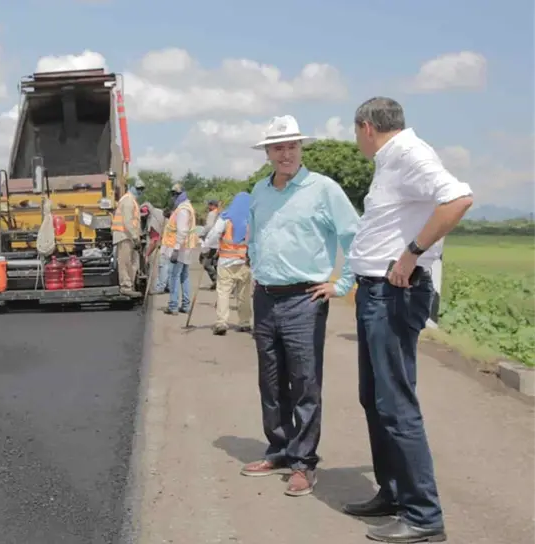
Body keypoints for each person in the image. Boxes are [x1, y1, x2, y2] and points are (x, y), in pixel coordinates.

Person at [344, 97, 472, 543]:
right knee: (374, 398)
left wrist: (412, 252)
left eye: (355, 132)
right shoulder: (391, 160)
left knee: (396, 403)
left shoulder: (410, 154)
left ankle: (423, 515)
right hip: (375, 292)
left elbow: (458, 198)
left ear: (365, 126)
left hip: (394, 293)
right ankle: (394, 493)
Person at [242, 115, 360, 498]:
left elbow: (354, 235)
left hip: (304, 299)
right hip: (266, 297)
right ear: (267, 153)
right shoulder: (259, 190)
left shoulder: (323, 189)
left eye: (292, 146)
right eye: (278, 147)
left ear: (301, 148)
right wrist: (257, 266)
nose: (286, 154)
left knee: (305, 382)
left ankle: (303, 463)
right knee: (271, 380)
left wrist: (342, 283)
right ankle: (279, 449)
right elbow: (255, 235)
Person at [202, 192, 253, 335]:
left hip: (226, 261)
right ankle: (245, 322)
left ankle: (221, 322)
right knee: (244, 294)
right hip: (244, 262)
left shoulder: (225, 217)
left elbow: (214, 234)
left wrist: (206, 248)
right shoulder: (251, 219)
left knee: (223, 292)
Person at [161, 183, 198, 315]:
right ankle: (186, 305)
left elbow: (182, 231)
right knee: (184, 276)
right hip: (186, 247)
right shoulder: (186, 207)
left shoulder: (183, 209)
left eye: (174, 195)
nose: (172, 197)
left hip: (180, 249)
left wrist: (176, 250)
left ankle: (173, 306)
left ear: (177, 195)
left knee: (174, 276)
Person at [112, 179, 145, 296]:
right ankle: (126, 286)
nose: (140, 191)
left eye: (142, 189)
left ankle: (130, 285)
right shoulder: (127, 200)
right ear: (132, 187)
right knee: (125, 262)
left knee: (132, 262)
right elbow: (127, 221)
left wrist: (137, 237)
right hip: (124, 235)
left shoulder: (132, 201)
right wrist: (135, 237)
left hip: (130, 236)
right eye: (138, 188)